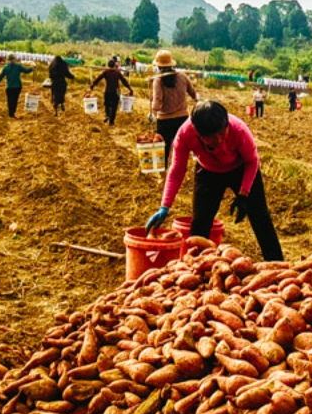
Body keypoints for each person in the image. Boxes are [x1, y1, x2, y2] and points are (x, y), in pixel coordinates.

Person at [145, 101, 283, 261]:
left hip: (242, 169)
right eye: (212, 137)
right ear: (199, 133)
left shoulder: (238, 130)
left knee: (260, 218)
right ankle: (197, 267)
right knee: (200, 223)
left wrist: (244, 193)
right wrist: (165, 206)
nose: (219, 140)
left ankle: (277, 264)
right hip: (208, 171)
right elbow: (177, 170)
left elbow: (252, 161)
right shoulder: (185, 134)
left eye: (222, 134)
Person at [150, 50, 197, 166]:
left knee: (163, 148)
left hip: (164, 120)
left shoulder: (158, 81)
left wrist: (152, 112)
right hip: (182, 119)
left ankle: (162, 173)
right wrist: (197, 100)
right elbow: (192, 92)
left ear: (159, 66)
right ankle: (179, 169)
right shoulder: (182, 77)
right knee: (180, 147)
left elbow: (158, 100)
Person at [91, 60, 133, 126]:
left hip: (107, 91)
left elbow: (99, 78)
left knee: (107, 104)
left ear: (108, 65)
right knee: (114, 106)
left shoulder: (106, 72)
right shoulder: (117, 72)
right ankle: (111, 122)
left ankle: (107, 115)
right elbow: (124, 81)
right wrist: (130, 89)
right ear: (114, 65)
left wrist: (93, 85)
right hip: (116, 92)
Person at [0, 53, 33, 119]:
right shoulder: (18, 66)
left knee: (10, 100)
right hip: (17, 86)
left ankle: (11, 113)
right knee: (15, 100)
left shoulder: (6, 67)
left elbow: (1, 76)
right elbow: (26, 71)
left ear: (8, 59)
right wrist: (32, 68)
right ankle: (12, 112)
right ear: (14, 59)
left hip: (9, 87)